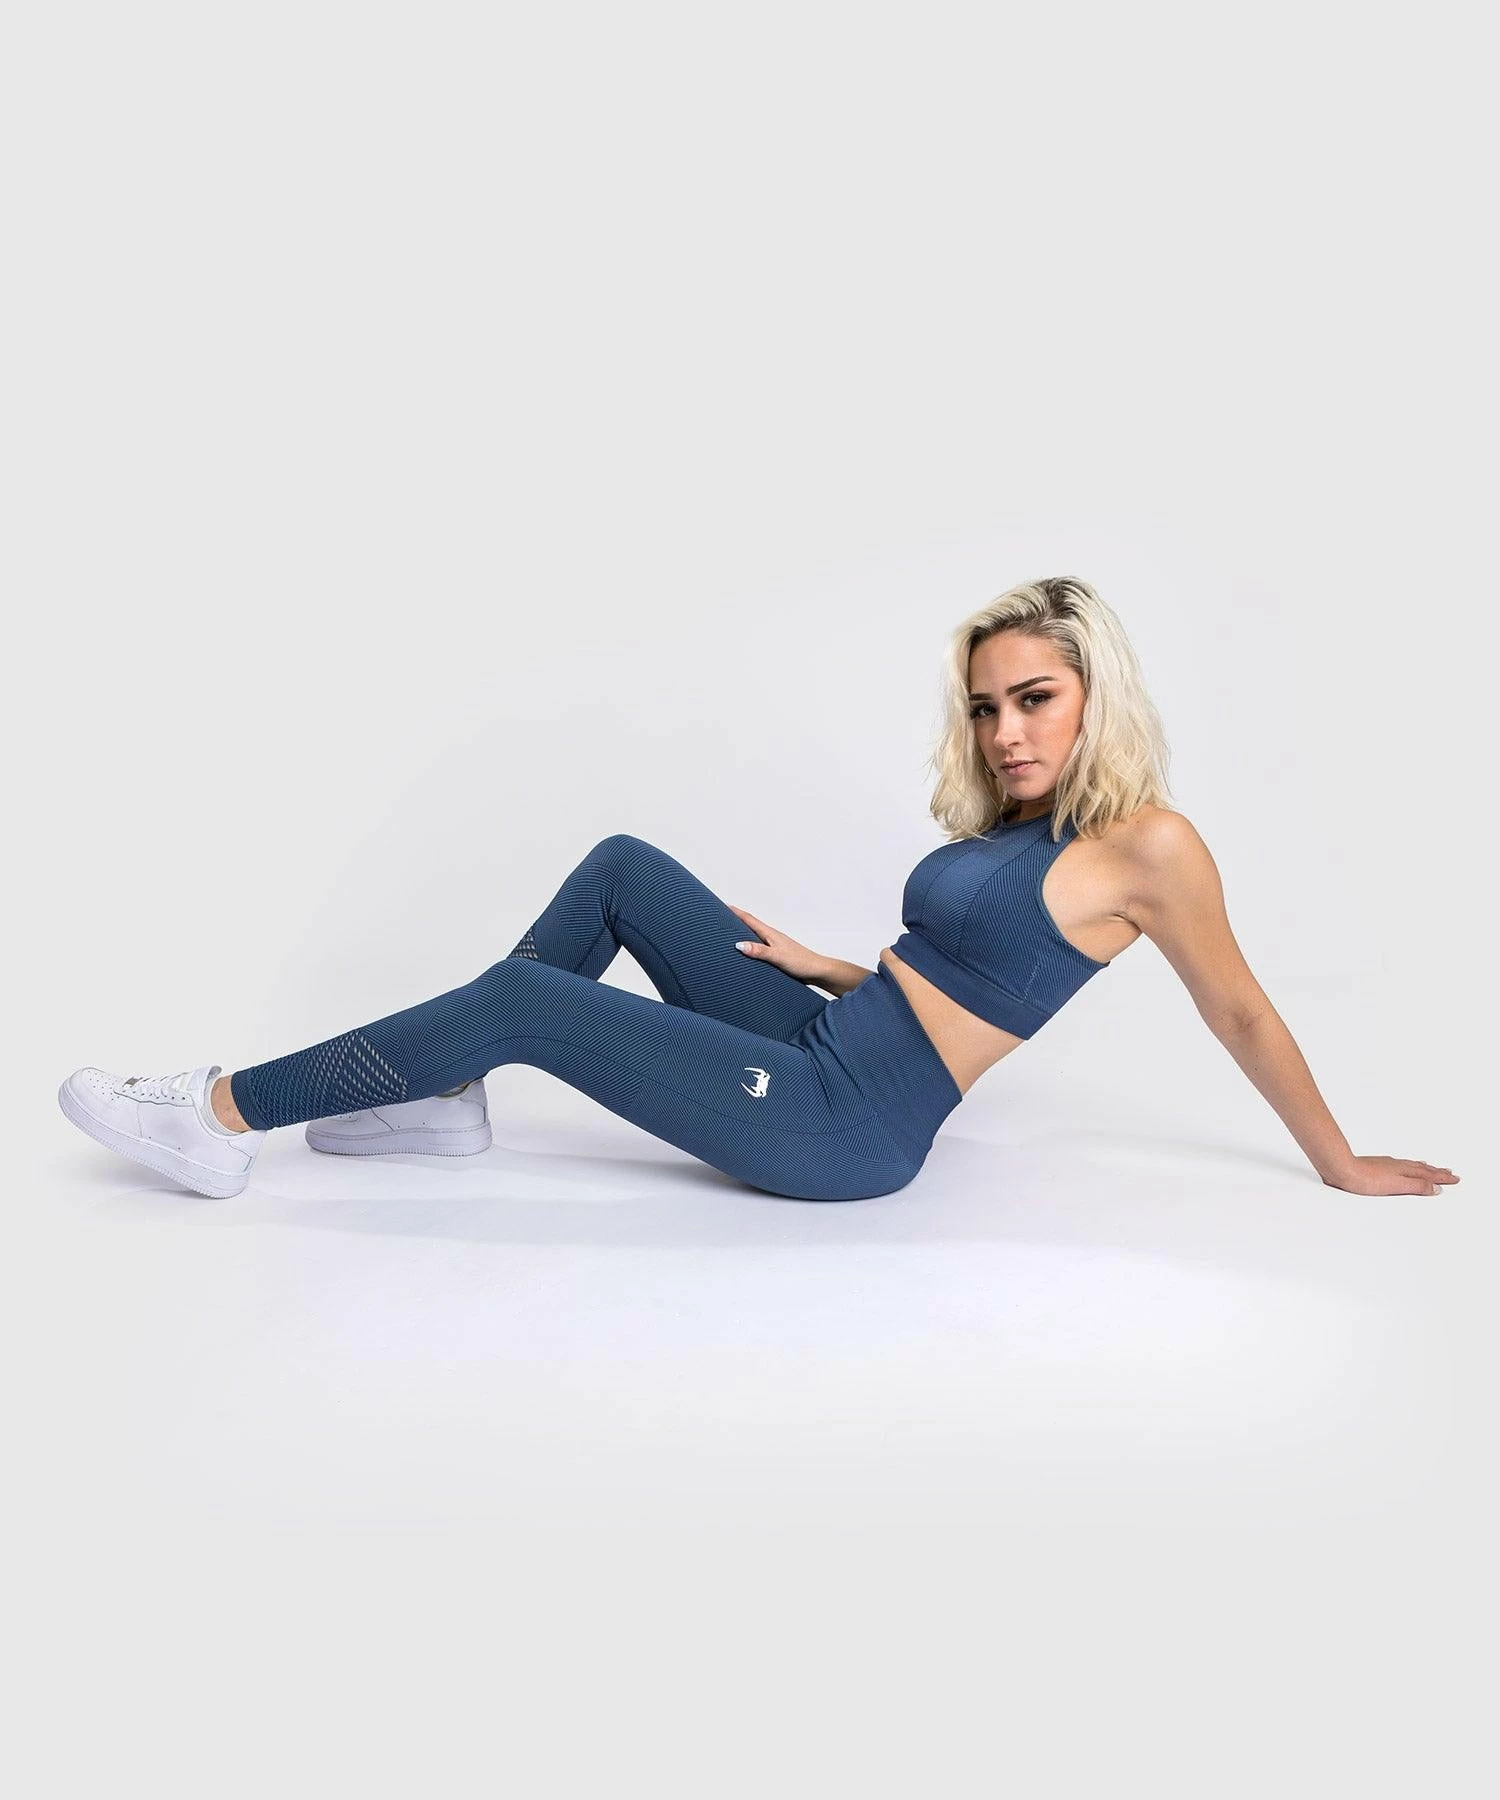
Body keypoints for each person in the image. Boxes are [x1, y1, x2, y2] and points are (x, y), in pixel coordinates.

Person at [58, 577, 1459, 1204]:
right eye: (986, 707)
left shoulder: (1151, 848)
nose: (1006, 732)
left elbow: (1242, 1014)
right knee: (623, 869)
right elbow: (973, 976)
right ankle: (442, 1099)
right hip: (825, 1031)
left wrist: (1338, 1161)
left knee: (526, 999)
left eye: (1035, 698)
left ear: (1099, 693)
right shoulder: (1026, 826)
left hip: (842, 1126)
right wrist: (831, 970)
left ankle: (220, 1117)